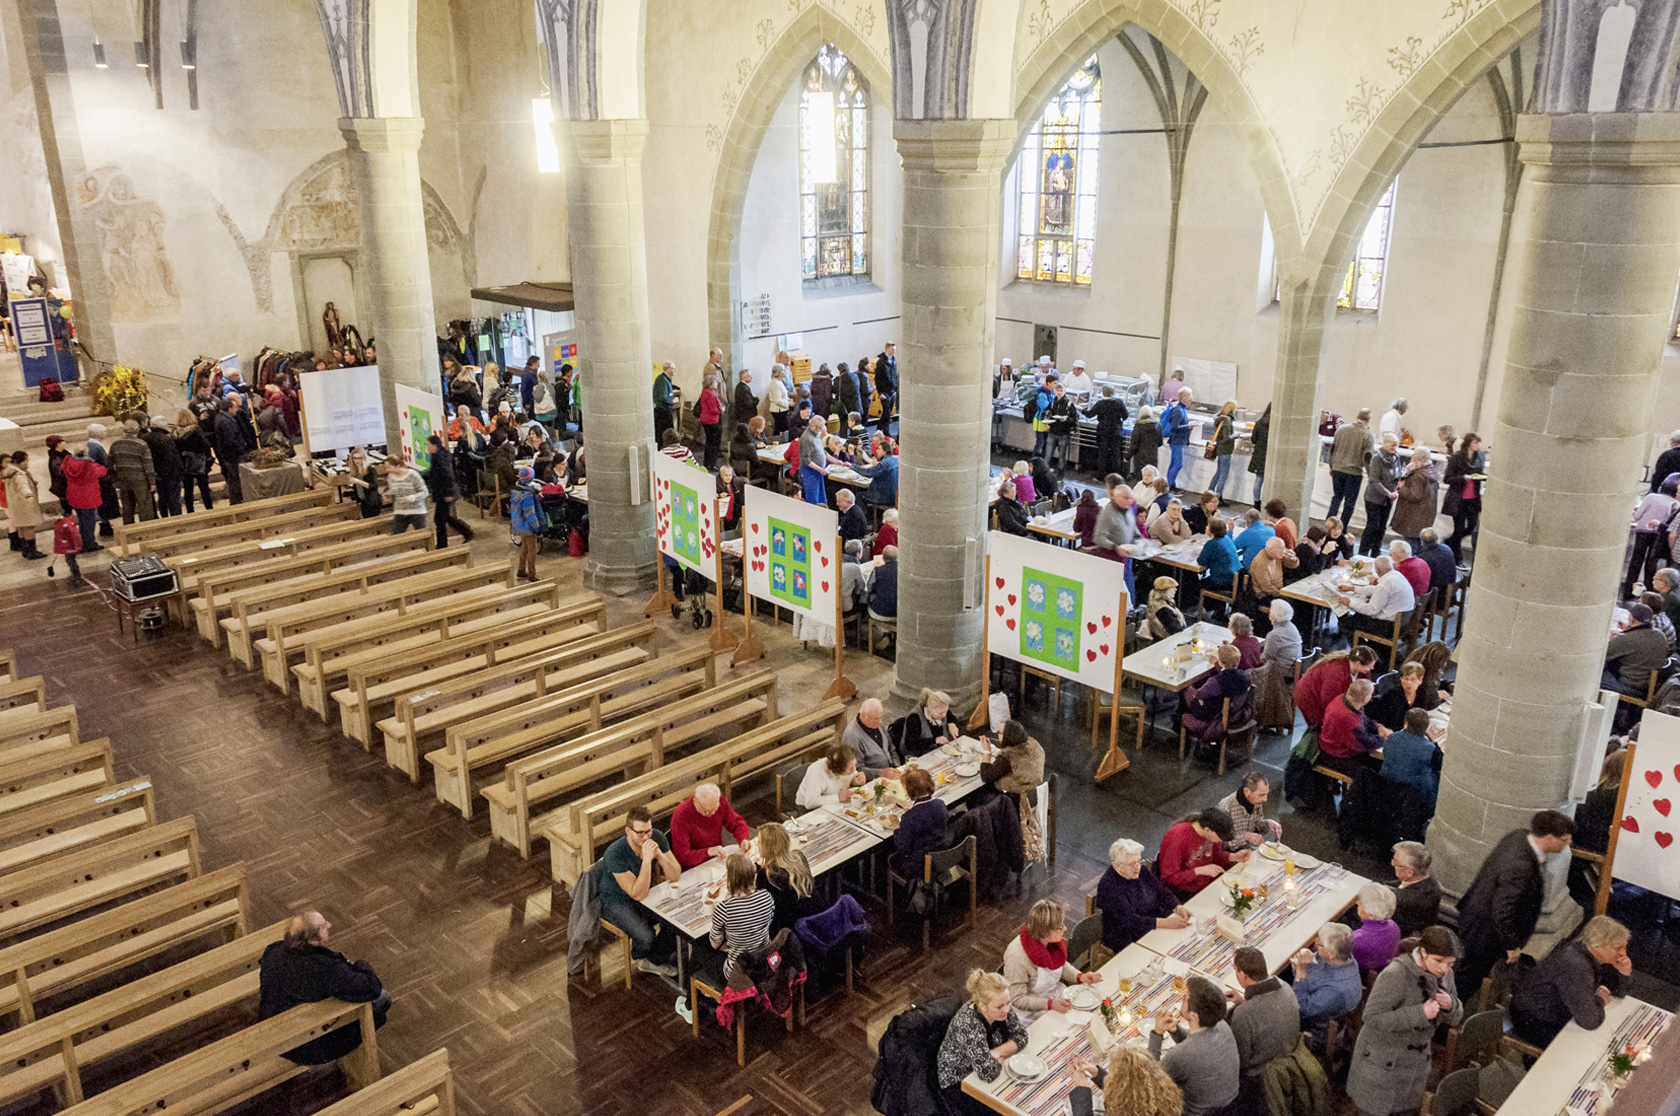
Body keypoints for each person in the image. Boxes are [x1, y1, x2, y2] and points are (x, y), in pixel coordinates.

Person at [1455, 810, 1576, 1001]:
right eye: (1565, 839)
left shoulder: (1518, 836)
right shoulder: (1521, 867)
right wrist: (1511, 945)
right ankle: (1450, 1009)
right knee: (1470, 975)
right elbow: (1503, 909)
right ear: (1550, 837)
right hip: (1486, 932)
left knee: (1468, 969)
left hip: (1477, 917)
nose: (1568, 844)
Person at [1348, 926, 1462, 1116]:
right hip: (1382, 1063)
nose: (1444, 968)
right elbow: (1371, 1016)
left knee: (1404, 1110)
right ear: (1423, 952)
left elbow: (1456, 1016)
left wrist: (1452, 1005)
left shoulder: (1446, 974)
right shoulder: (1395, 974)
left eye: (1450, 963)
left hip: (1413, 1066)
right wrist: (1420, 1013)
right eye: (1439, 961)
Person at [258, 910, 389, 1064]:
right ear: (313, 941)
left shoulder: (274, 950)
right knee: (382, 998)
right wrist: (359, 964)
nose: (329, 925)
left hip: (271, 1025)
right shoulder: (326, 968)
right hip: (308, 1047)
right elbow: (371, 987)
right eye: (324, 927)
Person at [1509, 915, 1633, 1047]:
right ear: (1598, 944)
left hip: (1559, 1013)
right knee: (1595, 1046)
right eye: (1618, 948)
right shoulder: (1577, 966)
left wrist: (1624, 973)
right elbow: (1591, 1021)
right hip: (1535, 1021)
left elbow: (1617, 993)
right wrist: (1600, 1000)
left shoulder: (1592, 953)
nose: (1623, 954)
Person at [936, 970, 1031, 1113]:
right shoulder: (968, 1023)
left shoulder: (1001, 1004)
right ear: (983, 1005)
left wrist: (996, 1053)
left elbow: (1022, 1036)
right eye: (1000, 1006)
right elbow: (987, 1073)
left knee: (1025, 1093)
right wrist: (1005, 1052)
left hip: (986, 1066)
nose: (1006, 1010)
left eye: (1008, 1003)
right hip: (960, 1080)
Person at [1147, 975, 1240, 1116]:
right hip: (1233, 1106)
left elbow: (1146, 1081)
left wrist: (1157, 1034)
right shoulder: (1222, 1025)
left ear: (1193, 1015)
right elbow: (1197, 1044)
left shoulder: (1180, 1055)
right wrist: (1176, 1030)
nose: (1182, 1000)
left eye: (1185, 998)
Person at [1002, 899, 1103, 1023]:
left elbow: (1060, 963)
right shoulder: (1016, 957)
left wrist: (1080, 976)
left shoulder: (1048, 940)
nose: (1065, 928)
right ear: (1046, 932)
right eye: (1060, 928)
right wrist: (1050, 1004)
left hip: (1055, 997)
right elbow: (1017, 999)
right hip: (1032, 1013)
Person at [1095, 837, 1190, 953]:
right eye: (1132, 864)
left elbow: (1160, 891)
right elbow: (1131, 921)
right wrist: (1165, 923)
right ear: (1118, 865)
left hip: (1152, 924)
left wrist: (1177, 906)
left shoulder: (1141, 871)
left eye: (1139, 861)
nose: (1137, 867)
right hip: (1127, 937)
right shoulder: (1109, 886)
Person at [1228, 945, 1300, 1091]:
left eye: (1235, 970)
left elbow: (1240, 1061)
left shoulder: (1244, 1014)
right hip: (1291, 1056)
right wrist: (1242, 1002)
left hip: (1262, 1078)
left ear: (1244, 976)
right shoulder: (1284, 986)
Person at [708, 852, 775, 990]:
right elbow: (766, 923)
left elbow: (714, 943)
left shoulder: (724, 908)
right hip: (763, 964)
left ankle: (693, 1003)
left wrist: (727, 943)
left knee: (698, 951)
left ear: (730, 878)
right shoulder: (767, 897)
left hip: (738, 972)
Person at [1291, 923, 1364, 1045]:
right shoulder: (1345, 958)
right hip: (1319, 1006)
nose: (1316, 942)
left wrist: (1300, 973)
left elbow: (1303, 1008)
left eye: (1319, 944)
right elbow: (1316, 963)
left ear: (1331, 953)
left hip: (1315, 1032)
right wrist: (1305, 958)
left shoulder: (1336, 989)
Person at [1157, 807, 1248, 899]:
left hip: (1204, 885)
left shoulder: (1212, 836)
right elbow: (1169, 879)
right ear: (1207, 830)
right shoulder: (1177, 837)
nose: (1221, 840)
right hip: (1182, 893)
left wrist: (1232, 857)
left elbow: (1214, 856)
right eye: (1220, 837)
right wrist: (1199, 871)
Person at [669, 782, 751, 868]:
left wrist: (743, 838)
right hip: (694, 865)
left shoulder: (719, 800)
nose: (712, 814)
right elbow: (682, 856)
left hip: (717, 857)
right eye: (706, 811)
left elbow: (736, 822)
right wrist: (708, 852)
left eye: (715, 809)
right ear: (695, 802)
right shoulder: (681, 815)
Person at [1380, 707, 1443, 819]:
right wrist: (1433, 740)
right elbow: (1440, 764)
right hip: (1414, 793)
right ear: (1426, 727)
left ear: (1406, 723)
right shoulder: (1430, 748)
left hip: (1386, 785)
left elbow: (1386, 754)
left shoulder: (1392, 738)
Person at [1337, 554, 1415, 642]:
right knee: (1358, 616)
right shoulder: (1396, 575)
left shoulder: (1386, 583)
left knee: (1345, 624)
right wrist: (1352, 588)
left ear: (1377, 570)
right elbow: (1376, 590)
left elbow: (1371, 609)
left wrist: (1349, 603)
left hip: (1387, 627)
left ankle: (1363, 651)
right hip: (1401, 624)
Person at [1293, 647, 1378, 727]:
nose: (1372, 668)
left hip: (1330, 697)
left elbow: (1366, 691)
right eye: (1370, 666)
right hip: (1311, 698)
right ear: (1358, 664)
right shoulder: (1336, 673)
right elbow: (1329, 703)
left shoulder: (1364, 670)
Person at [1318, 678, 1388, 775]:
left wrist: (1378, 727)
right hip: (1337, 756)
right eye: (1371, 694)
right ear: (1365, 699)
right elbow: (1361, 745)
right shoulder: (1347, 718)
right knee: (1378, 771)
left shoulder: (1343, 699)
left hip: (1335, 747)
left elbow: (1362, 719)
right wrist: (1384, 740)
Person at [892, 767, 950, 876]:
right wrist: (913, 811)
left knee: (891, 856)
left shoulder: (909, 818)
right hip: (943, 853)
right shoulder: (940, 804)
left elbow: (902, 849)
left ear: (909, 792)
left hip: (920, 864)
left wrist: (896, 826)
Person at [1605, 602, 1669, 696]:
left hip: (1629, 686)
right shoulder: (1660, 635)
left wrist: (1619, 637)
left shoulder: (1628, 639)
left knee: (1596, 675)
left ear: (1631, 618)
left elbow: (1605, 653)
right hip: (1649, 686)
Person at [423, 434, 474, 548]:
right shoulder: (443, 454)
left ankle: (443, 544)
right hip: (445, 492)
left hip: (444, 493)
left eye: (428, 445)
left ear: (434, 445)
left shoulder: (438, 457)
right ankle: (464, 532)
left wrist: (450, 493)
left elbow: (448, 474)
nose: (427, 447)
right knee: (444, 518)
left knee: (440, 519)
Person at [1443, 431, 1485, 564]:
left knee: (1472, 526)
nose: (1477, 445)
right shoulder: (1458, 457)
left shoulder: (1478, 457)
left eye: (1477, 443)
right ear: (1468, 444)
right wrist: (1463, 478)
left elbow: (1480, 473)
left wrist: (1479, 477)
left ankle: (1449, 541)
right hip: (1459, 499)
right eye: (1474, 442)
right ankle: (1457, 558)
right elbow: (1447, 478)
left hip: (1473, 499)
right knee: (1459, 527)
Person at [1327, 409, 1373, 527]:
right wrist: (1371, 475)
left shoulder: (1341, 429)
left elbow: (1332, 449)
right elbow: (1367, 457)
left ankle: (1328, 526)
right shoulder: (1367, 435)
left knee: (1336, 498)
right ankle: (1342, 528)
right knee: (1349, 503)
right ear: (1368, 420)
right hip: (1354, 473)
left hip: (1338, 470)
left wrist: (1331, 466)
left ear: (1357, 416)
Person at [1389, 841, 1442, 937]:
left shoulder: (1410, 899)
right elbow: (1398, 884)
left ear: (1409, 872)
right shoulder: (1424, 879)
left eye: (1396, 862)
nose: (1393, 864)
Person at [1359, 432, 1401, 555]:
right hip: (1374, 498)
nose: (1394, 448)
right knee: (1373, 526)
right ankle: (1363, 552)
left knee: (1382, 527)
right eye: (1392, 445)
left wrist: (1396, 490)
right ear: (1386, 444)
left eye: (1396, 445)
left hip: (1388, 500)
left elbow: (1397, 475)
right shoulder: (1377, 458)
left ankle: (1376, 551)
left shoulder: (1396, 457)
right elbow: (1374, 480)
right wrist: (1387, 492)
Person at [109, 419, 156, 524]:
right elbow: (148, 465)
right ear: (138, 430)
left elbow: (109, 464)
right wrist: (152, 482)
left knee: (127, 508)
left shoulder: (115, 444)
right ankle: (146, 532)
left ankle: (129, 532)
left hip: (123, 479)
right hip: (140, 480)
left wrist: (114, 479)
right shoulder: (142, 444)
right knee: (145, 508)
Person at [1390, 446, 1440, 545]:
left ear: (1418, 458)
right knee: (1418, 543)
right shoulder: (1430, 471)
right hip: (1424, 515)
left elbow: (1415, 496)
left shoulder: (1418, 476)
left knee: (1411, 545)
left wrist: (1401, 487)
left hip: (1413, 517)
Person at [60, 446, 106, 554]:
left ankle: (84, 541)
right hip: (88, 497)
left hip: (74, 495)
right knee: (89, 522)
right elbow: (102, 471)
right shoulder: (88, 465)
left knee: (82, 520)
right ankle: (88, 544)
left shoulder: (69, 462)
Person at [1217, 772, 1277, 851]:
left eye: (1266, 794)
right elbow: (1220, 843)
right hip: (1228, 856)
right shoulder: (1226, 807)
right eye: (1261, 795)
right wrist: (1245, 837)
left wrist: (1268, 823)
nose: (1265, 799)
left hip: (1246, 851)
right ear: (1247, 791)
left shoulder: (1256, 802)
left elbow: (1256, 825)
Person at [894, 688, 961, 758]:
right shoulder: (914, 718)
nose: (944, 715)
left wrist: (952, 723)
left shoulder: (942, 708)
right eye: (940, 713)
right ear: (929, 709)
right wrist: (935, 740)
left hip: (938, 752)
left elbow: (951, 717)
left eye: (946, 711)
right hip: (918, 756)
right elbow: (910, 745)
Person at [1368, 661, 1435, 731]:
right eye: (1406, 678)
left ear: (1420, 680)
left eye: (1413, 679)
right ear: (1401, 679)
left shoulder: (1422, 694)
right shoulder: (1392, 695)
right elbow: (1383, 721)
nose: (1409, 683)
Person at [1351, 882, 1402, 973]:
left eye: (1361, 903)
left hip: (1362, 972)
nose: (1357, 902)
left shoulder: (1357, 938)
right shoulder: (1394, 926)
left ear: (1371, 915)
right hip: (1381, 965)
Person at [797, 743, 867, 808]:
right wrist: (838, 798)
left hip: (833, 804)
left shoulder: (845, 765)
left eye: (855, 766)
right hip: (808, 810)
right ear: (838, 769)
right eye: (850, 768)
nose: (854, 771)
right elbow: (810, 802)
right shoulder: (817, 771)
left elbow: (845, 781)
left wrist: (856, 781)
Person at [1083, 384, 1130, 478]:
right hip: (1116, 431)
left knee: (1102, 453)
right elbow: (1126, 415)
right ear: (1113, 392)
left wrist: (1082, 410)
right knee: (1115, 453)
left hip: (1102, 431)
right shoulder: (1119, 402)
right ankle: (1117, 475)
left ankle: (1100, 474)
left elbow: (1090, 414)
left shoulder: (1100, 404)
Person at [3, 452, 44, 559]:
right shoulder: (18, 475)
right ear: (18, 462)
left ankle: (25, 550)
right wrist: (29, 495)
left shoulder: (9, 473)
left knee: (21, 527)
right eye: (25, 461)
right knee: (29, 527)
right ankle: (32, 551)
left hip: (15, 505)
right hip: (24, 504)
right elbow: (23, 486)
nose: (27, 463)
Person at [142, 416, 184, 518]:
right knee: (174, 499)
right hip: (170, 474)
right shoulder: (166, 439)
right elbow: (172, 458)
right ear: (161, 426)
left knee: (162, 498)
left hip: (156, 473)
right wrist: (180, 471)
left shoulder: (144, 438)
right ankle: (176, 519)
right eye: (166, 425)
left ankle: (164, 517)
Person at [842, 698, 898, 775]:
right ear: (864, 716)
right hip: (874, 780)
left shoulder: (877, 723)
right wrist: (882, 773)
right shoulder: (852, 736)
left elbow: (891, 749)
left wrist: (897, 766)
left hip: (891, 772)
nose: (880, 721)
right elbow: (856, 770)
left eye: (881, 717)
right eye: (876, 719)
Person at [211, 395, 249, 504]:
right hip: (233, 456)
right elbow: (231, 440)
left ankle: (235, 500)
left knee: (233, 479)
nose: (237, 410)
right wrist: (242, 448)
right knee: (235, 479)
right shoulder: (226, 421)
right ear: (229, 408)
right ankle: (237, 501)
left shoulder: (220, 418)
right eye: (235, 407)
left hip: (228, 455)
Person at [1247, 535, 1299, 612]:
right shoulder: (1261, 562)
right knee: (1289, 604)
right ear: (1271, 550)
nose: (1284, 551)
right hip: (1264, 595)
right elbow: (1267, 588)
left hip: (1278, 590)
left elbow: (1293, 566)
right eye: (1281, 548)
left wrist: (1293, 558)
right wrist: (1282, 594)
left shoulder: (1276, 555)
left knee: (1298, 600)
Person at [1196, 517, 1239, 596]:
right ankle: (1218, 607)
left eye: (1207, 526)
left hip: (1221, 581)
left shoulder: (1212, 543)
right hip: (1233, 579)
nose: (1206, 527)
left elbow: (1201, 561)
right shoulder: (1227, 539)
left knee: (1196, 584)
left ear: (1212, 530)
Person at [852, 440, 900, 509]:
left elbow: (869, 472)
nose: (876, 451)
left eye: (879, 449)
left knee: (859, 496)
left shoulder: (884, 463)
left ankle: (865, 518)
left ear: (885, 451)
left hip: (883, 496)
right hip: (893, 495)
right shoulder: (895, 460)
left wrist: (853, 467)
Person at [1162, 388, 1193, 490]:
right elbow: (1174, 427)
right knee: (1177, 464)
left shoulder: (1181, 409)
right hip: (1177, 441)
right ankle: (1171, 485)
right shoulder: (1178, 411)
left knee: (1174, 463)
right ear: (1183, 397)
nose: (1191, 398)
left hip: (1178, 441)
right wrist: (1188, 426)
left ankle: (1170, 483)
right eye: (1189, 395)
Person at [1207, 400, 1238, 497]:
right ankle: (1218, 496)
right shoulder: (1227, 421)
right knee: (1223, 475)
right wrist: (1236, 435)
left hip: (1220, 449)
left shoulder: (1220, 419)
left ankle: (1210, 492)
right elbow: (1226, 438)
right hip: (1225, 450)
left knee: (1218, 472)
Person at [796, 416, 829, 505]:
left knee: (821, 497)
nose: (822, 430)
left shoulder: (816, 434)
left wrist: (833, 460)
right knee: (813, 498)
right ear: (814, 427)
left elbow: (822, 450)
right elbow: (806, 459)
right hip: (809, 472)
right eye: (821, 428)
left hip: (818, 470)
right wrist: (820, 469)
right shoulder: (807, 438)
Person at [1145, 576, 1187, 640]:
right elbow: (1175, 629)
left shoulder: (1162, 601)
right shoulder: (1163, 609)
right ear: (1164, 591)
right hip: (1166, 640)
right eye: (1172, 588)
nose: (1175, 590)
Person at [1247, 403, 1271, 506]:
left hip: (1259, 454)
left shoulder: (1260, 422)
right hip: (1270, 455)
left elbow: (1253, 439)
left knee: (1258, 479)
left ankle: (1256, 502)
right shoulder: (1277, 424)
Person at [870, 544, 899, 618]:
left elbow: (868, 588)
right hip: (899, 610)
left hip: (880, 610)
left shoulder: (877, 571)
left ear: (882, 558)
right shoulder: (903, 572)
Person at [875, 342, 898, 429]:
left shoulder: (893, 360)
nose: (894, 351)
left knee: (888, 412)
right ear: (887, 349)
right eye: (892, 349)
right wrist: (880, 392)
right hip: (884, 391)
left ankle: (880, 429)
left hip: (892, 390)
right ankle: (885, 430)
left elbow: (895, 375)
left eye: (895, 350)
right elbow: (878, 378)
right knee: (887, 412)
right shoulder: (881, 362)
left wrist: (896, 388)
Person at [652, 362, 676, 443]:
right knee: (665, 434)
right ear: (667, 369)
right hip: (663, 412)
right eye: (672, 368)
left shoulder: (665, 379)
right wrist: (672, 400)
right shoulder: (662, 380)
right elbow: (663, 397)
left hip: (663, 410)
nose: (674, 370)